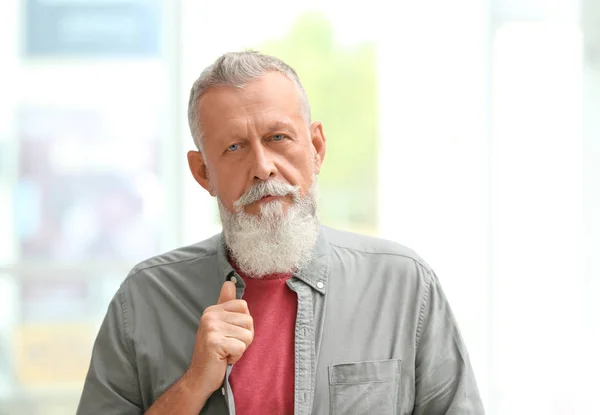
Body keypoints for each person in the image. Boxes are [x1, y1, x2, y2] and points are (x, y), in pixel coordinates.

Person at [77, 51, 485, 415]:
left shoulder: (404, 285)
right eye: (234, 148)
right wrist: (193, 384)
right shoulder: (145, 299)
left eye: (278, 138)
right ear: (204, 173)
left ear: (316, 148)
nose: (263, 167)